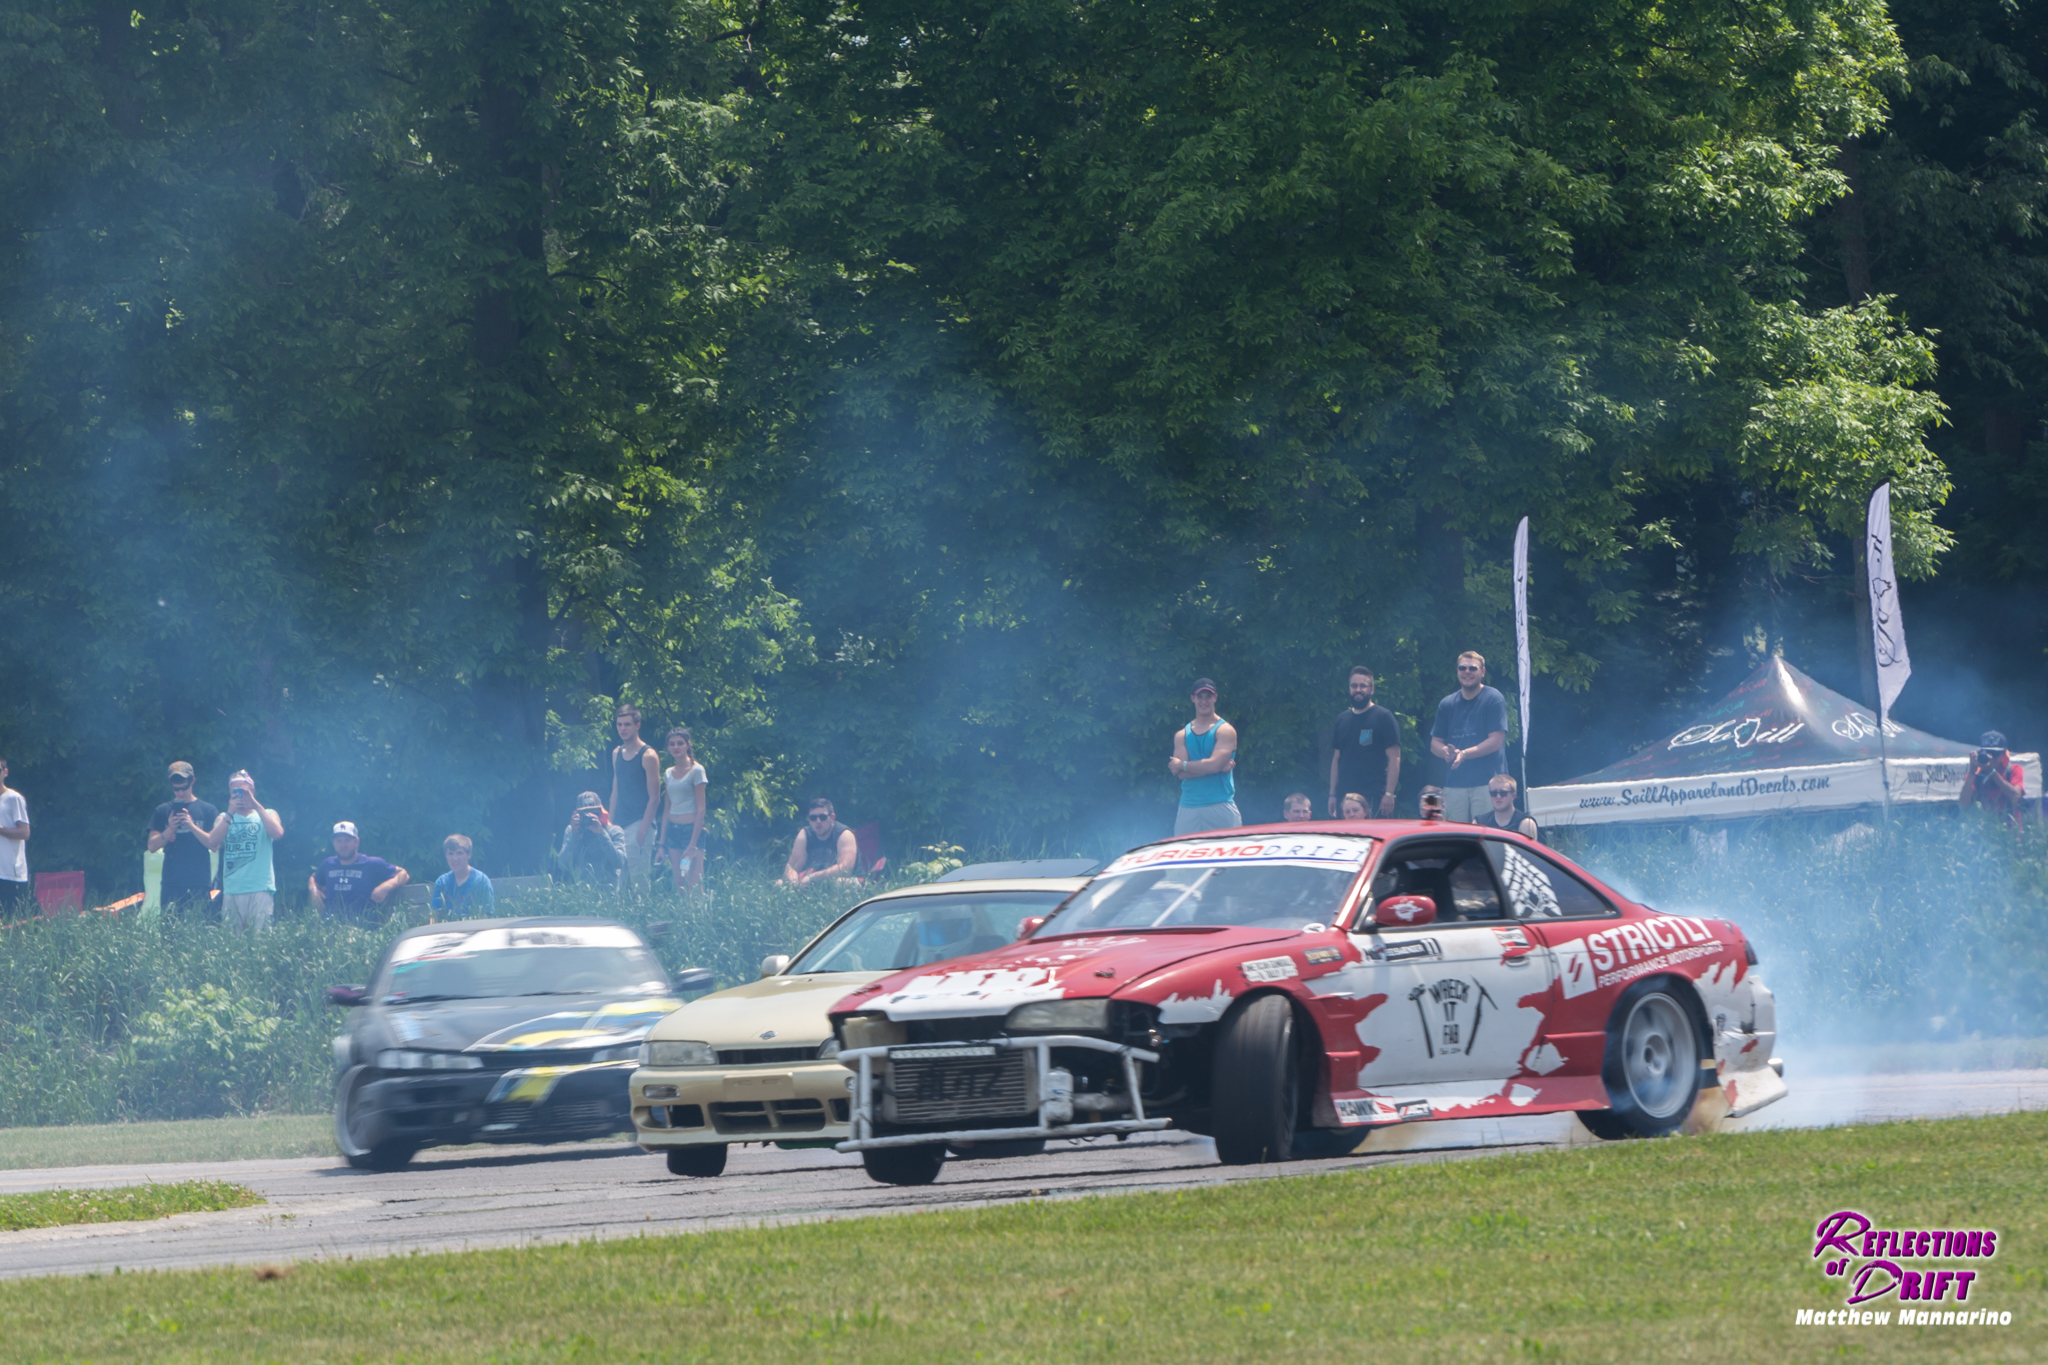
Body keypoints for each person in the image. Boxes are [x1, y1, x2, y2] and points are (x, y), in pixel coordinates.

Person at [1429, 652, 1509, 823]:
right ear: (1457, 671)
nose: (1467, 672)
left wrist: (1464, 754)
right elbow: (1435, 743)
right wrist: (1445, 751)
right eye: (1462, 668)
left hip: (1488, 784)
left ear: (1482, 672)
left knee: (1484, 835)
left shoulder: (1493, 698)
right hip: (1454, 784)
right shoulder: (1447, 704)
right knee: (1455, 835)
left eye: (1473, 668)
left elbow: (1496, 742)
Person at [200, 771, 282, 932]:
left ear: (253, 790)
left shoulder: (268, 813)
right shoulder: (223, 817)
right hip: (233, 888)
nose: (240, 796)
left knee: (260, 938)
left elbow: (277, 833)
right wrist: (230, 812)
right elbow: (212, 842)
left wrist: (255, 804)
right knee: (232, 941)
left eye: (244, 791)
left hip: (260, 886)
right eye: (235, 791)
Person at [147, 761, 219, 917]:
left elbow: (214, 845)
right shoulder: (162, 810)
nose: (180, 793)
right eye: (176, 789)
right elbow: (151, 846)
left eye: (184, 788)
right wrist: (170, 829)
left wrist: (191, 826)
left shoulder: (208, 809)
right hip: (171, 882)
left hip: (199, 882)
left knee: (200, 927)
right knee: (170, 929)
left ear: (192, 781)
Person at [1328, 666, 1402, 818]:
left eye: (1363, 686)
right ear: (1349, 689)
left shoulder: (1383, 717)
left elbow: (1395, 757)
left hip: (1374, 796)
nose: (1358, 690)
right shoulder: (1342, 719)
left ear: (1371, 689)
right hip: (1345, 797)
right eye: (1354, 686)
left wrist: (1389, 794)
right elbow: (1336, 759)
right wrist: (1332, 794)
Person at [1170, 678, 1240, 835]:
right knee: (1185, 852)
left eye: (1208, 696)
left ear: (1215, 698)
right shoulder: (1182, 734)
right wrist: (1216, 767)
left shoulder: (1225, 730)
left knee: (1226, 852)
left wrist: (1183, 765)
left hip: (1220, 804)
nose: (1204, 701)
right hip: (1188, 806)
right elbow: (1181, 774)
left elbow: (1210, 766)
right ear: (1192, 698)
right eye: (1199, 696)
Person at [608, 704, 662, 894]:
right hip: (619, 822)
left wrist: (643, 830)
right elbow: (616, 790)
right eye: (619, 724)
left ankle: (643, 911)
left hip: (639, 821)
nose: (623, 728)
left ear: (637, 725)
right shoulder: (616, 753)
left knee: (638, 879)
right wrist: (609, 823)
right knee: (618, 880)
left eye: (627, 724)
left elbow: (655, 798)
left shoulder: (648, 755)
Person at [309, 822, 409, 924]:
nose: (343, 845)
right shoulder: (327, 864)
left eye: (347, 840)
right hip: (330, 926)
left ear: (356, 842)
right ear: (333, 843)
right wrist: (314, 890)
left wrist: (386, 886)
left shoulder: (371, 863)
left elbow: (403, 874)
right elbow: (313, 878)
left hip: (363, 928)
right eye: (339, 841)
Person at [655, 727, 707, 891]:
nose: (676, 747)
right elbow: (667, 808)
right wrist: (661, 843)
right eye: (672, 744)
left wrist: (693, 844)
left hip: (692, 830)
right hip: (673, 830)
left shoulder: (696, 770)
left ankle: (700, 909)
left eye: (680, 743)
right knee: (680, 883)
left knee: (695, 883)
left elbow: (701, 809)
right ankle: (682, 909)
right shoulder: (668, 773)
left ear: (687, 745)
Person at [1959, 731, 2026, 831]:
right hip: (1985, 832)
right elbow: (1963, 804)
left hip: (2011, 833)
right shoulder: (1976, 775)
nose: (1991, 758)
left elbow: (2015, 797)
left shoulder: (2013, 770)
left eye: (1995, 754)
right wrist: (1972, 772)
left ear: (2003, 754)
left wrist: (1992, 772)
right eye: (1987, 753)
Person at [561, 791, 629, 889]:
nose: (589, 817)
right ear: (577, 815)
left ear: (601, 813)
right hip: (579, 893)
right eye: (584, 814)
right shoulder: (572, 831)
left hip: (607, 893)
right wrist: (574, 836)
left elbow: (619, 862)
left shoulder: (614, 831)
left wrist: (601, 834)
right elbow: (562, 865)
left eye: (594, 813)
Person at [785, 798, 857, 886]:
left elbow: (845, 868)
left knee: (839, 883)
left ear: (832, 817)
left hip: (847, 881)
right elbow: (791, 867)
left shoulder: (844, 834)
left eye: (823, 817)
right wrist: (793, 882)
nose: (818, 821)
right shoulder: (805, 834)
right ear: (809, 819)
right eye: (813, 818)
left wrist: (813, 877)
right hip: (812, 883)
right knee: (779, 884)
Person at [432, 834, 495, 915]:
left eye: (459, 853)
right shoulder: (442, 882)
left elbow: (486, 914)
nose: (455, 858)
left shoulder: (481, 881)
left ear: (468, 855)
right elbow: (434, 915)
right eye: (450, 853)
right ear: (446, 856)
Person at [0, 757, 27, 915]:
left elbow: (25, 832)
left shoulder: (14, 798)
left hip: (9, 873)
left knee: (11, 921)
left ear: (5, 772)